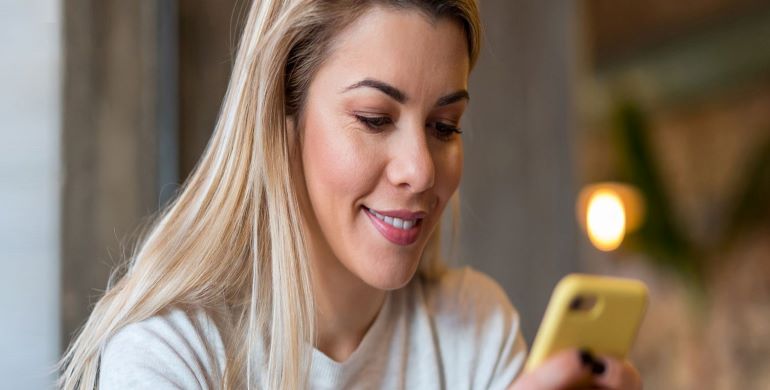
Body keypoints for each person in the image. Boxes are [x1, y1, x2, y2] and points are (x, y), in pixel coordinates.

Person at [58, 1, 642, 389]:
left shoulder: (474, 327)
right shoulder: (170, 356)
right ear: (281, 114)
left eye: (445, 126)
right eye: (373, 118)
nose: (420, 169)